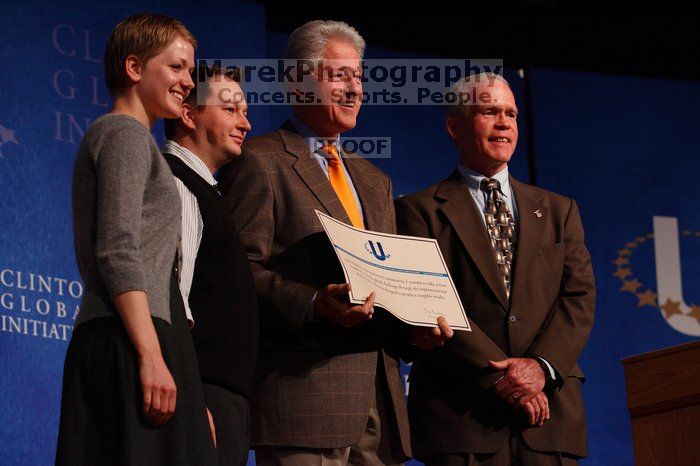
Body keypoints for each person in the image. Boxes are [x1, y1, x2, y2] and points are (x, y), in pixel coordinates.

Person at [218, 19, 432, 466]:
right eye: (339, 76)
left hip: (379, 404)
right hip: (303, 401)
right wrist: (314, 303)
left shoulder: (375, 181)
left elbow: (385, 283)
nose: (355, 89)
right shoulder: (261, 161)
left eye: (358, 76)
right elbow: (237, 274)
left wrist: (417, 328)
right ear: (296, 84)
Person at [395, 73, 595, 466]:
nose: (504, 123)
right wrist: (504, 378)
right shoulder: (417, 211)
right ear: (454, 126)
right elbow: (431, 302)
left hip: (549, 420)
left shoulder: (558, 210)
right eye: (490, 111)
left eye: (511, 114)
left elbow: (579, 297)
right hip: (462, 417)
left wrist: (540, 366)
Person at [55, 13, 217, 466]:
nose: (188, 81)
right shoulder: (123, 133)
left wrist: (184, 379)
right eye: (177, 67)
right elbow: (117, 247)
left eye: (190, 69)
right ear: (134, 68)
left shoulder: (137, 140)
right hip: (128, 339)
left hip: (149, 336)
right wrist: (150, 356)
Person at [162, 64, 258, 466]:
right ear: (188, 113)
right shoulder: (178, 182)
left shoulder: (209, 191)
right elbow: (172, 300)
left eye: (245, 111)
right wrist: (189, 396)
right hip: (199, 393)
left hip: (220, 396)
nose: (246, 123)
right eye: (231, 109)